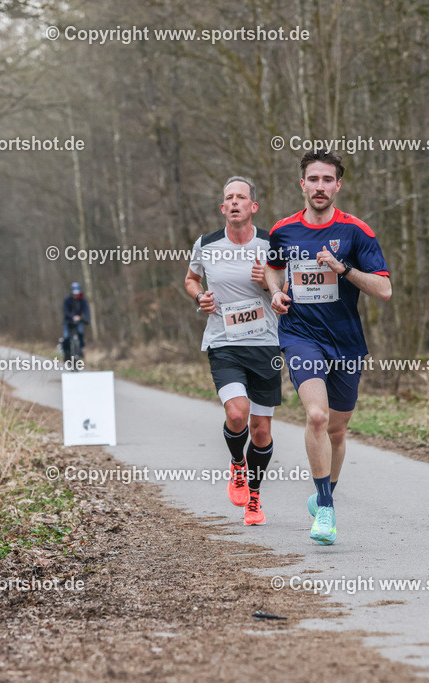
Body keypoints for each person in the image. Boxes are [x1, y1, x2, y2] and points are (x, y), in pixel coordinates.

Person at [264, 149, 391, 545]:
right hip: (300, 335)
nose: (320, 187)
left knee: (337, 430)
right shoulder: (283, 230)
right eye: (313, 179)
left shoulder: (357, 232)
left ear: (338, 185)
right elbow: (272, 267)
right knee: (317, 417)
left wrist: (344, 269)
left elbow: (384, 290)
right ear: (302, 184)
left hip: (346, 342)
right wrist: (275, 292)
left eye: (327, 180)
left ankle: (323, 496)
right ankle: (325, 507)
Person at [184, 176, 281, 526]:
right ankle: (237, 464)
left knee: (261, 431)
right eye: (229, 197)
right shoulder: (206, 244)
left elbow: (287, 290)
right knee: (237, 413)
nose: (235, 202)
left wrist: (267, 283)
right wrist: (200, 296)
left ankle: (254, 497)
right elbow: (191, 279)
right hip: (224, 342)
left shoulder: (271, 243)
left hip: (265, 344)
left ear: (253, 206)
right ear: (223, 207)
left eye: (242, 197)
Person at [62, 282, 90, 360]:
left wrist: (87, 319)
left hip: (78, 322)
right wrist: (72, 317)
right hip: (68, 321)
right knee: (66, 337)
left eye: (77, 293)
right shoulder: (67, 300)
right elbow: (65, 311)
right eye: (74, 293)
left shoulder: (82, 301)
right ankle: (66, 353)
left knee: (80, 334)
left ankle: (80, 350)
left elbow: (86, 310)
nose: (76, 295)